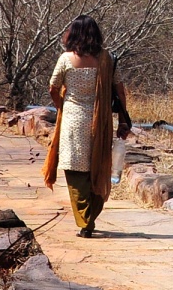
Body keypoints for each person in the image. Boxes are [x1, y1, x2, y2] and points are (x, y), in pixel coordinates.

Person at [42, 15, 131, 237]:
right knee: (98, 168)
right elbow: (119, 90)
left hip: (73, 120)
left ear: (73, 34)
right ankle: (90, 217)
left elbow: (53, 87)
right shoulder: (107, 59)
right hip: (100, 121)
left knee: (74, 169)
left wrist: (61, 105)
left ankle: (85, 220)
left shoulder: (65, 59)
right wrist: (123, 120)